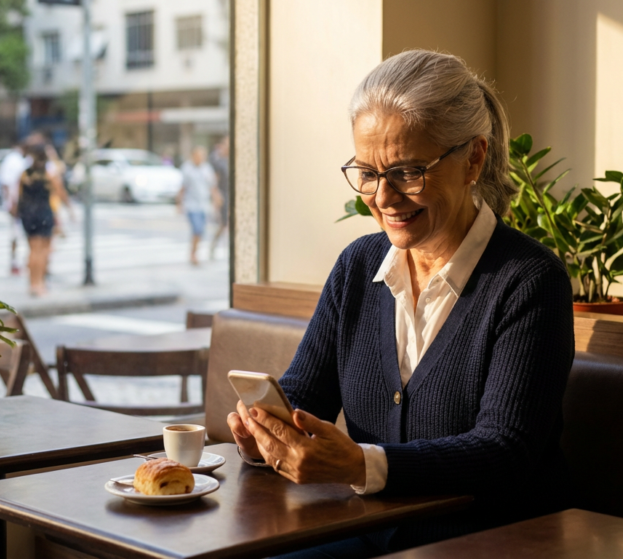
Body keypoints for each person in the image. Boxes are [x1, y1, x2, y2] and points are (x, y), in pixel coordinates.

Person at [227, 50, 575, 558]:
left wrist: (359, 466)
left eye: (408, 171)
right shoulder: (357, 266)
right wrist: (266, 428)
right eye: (367, 173)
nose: (383, 197)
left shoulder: (529, 280)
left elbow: (506, 453)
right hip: (364, 530)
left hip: (484, 540)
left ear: (474, 158)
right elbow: (308, 392)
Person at [15, 145, 73, 296]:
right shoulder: (49, 175)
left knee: (32, 250)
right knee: (42, 251)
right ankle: (39, 283)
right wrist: (70, 210)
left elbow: (18, 196)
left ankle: (32, 283)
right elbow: (61, 192)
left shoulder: (24, 175)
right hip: (43, 213)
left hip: (27, 214)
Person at [177, 146, 221, 266]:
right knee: (197, 229)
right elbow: (182, 187)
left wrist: (216, 199)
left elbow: (212, 186)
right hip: (191, 204)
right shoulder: (187, 168)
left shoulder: (206, 169)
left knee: (200, 231)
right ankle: (193, 254)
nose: (200, 158)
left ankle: (194, 251)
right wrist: (179, 203)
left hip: (203, 205)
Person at [0, 141, 29, 275]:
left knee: (20, 233)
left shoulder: (20, 160)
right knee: (17, 233)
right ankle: (15, 263)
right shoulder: (14, 161)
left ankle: (21, 262)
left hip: (22, 203)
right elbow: (6, 183)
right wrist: (10, 203)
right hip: (16, 203)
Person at [209, 136, 230, 259]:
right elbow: (214, 182)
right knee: (223, 224)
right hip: (223, 195)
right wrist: (216, 197)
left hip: (230, 193)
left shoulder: (231, 160)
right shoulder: (218, 162)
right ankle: (214, 245)